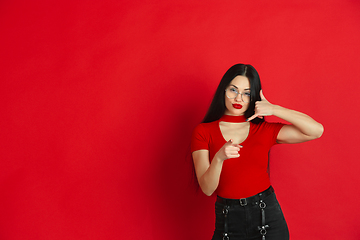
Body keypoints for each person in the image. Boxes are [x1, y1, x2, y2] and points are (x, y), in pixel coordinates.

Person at [191, 64, 324, 240]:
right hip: (228, 221)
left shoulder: (263, 130)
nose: (238, 98)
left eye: (246, 93)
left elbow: (316, 130)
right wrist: (218, 158)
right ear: (224, 90)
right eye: (233, 90)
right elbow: (207, 189)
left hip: (267, 218)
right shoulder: (203, 131)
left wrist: (275, 109)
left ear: (253, 96)